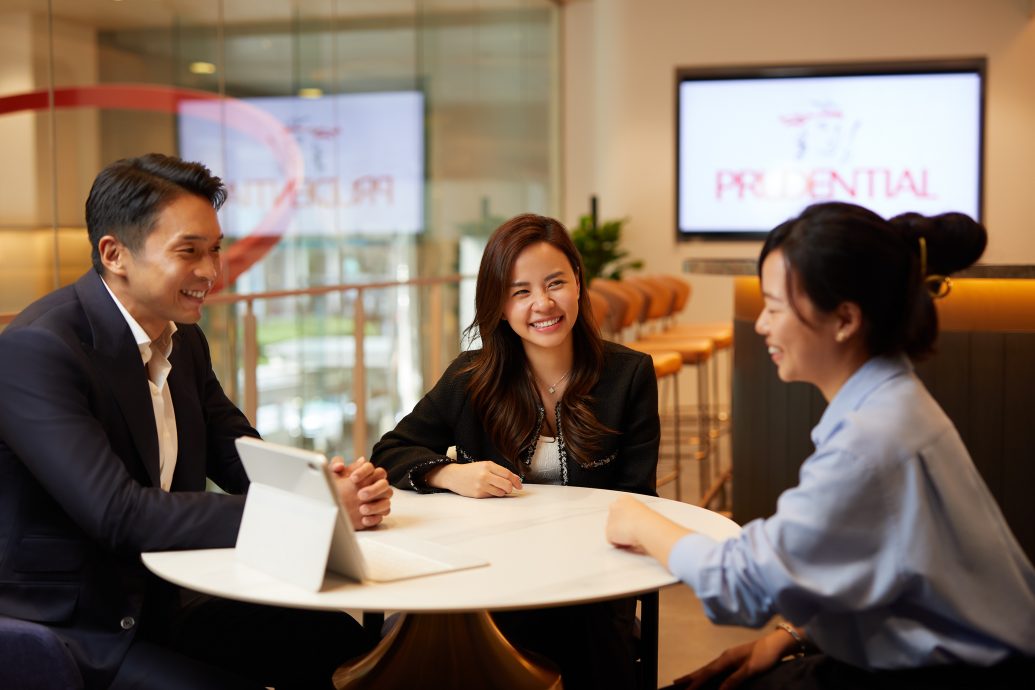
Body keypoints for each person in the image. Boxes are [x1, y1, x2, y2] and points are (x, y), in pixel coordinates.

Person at [0, 153, 393, 690]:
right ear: (115, 254)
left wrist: (321, 488)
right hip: (77, 628)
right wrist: (305, 514)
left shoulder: (182, 341)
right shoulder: (37, 350)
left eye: (214, 250)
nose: (211, 272)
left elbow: (234, 450)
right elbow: (119, 514)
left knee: (344, 648)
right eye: (189, 252)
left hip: (167, 602)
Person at [606, 201, 1035, 690]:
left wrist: (639, 519)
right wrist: (792, 636)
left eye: (775, 307)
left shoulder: (868, 442)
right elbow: (880, 567)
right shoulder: (889, 398)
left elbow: (739, 584)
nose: (762, 325)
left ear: (845, 319)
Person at [371, 213, 660, 688]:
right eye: (520, 291)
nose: (542, 304)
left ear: (579, 284)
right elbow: (391, 449)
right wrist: (448, 473)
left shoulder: (627, 376)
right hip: (491, 577)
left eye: (555, 284)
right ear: (499, 304)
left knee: (590, 644)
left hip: (590, 584)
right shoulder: (471, 377)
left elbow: (638, 496)